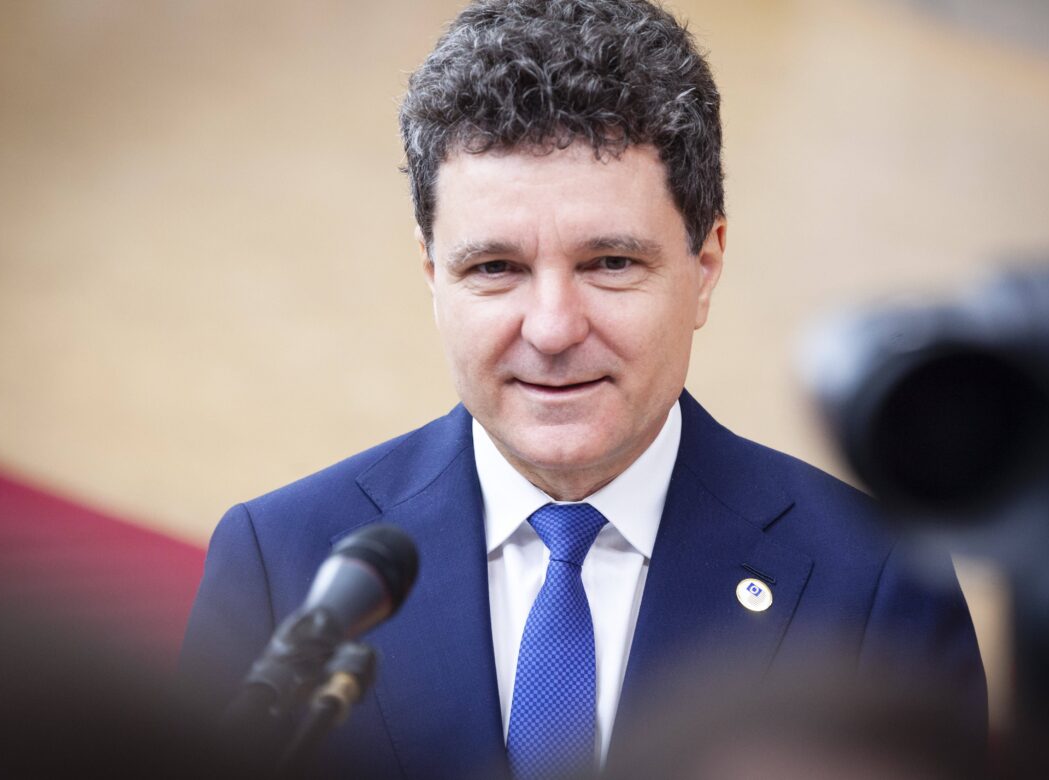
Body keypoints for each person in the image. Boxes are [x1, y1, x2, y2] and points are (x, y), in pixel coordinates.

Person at [180, 1, 986, 777]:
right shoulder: (282, 564)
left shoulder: (876, 584)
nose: (553, 329)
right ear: (432, 275)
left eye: (610, 263)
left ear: (705, 269)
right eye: (495, 267)